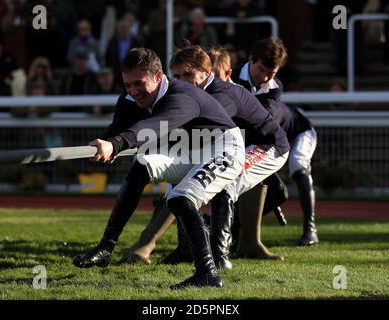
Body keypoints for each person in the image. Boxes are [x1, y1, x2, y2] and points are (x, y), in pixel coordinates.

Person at [72, 47, 246, 289]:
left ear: (158, 76)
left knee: (180, 197)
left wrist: (116, 144)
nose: (132, 91)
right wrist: (108, 143)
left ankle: (208, 274)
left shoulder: (182, 96)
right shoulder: (130, 97)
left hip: (224, 147)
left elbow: (151, 127)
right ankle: (106, 248)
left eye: (138, 83)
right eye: (127, 85)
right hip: (188, 149)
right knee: (141, 166)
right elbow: (118, 126)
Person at [124, 45, 289, 267]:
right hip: (238, 146)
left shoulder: (221, 95)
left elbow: (197, 129)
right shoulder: (195, 92)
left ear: (205, 71)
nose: (181, 81)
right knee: (187, 182)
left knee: (226, 181)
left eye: (188, 75)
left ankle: (218, 257)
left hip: (268, 146)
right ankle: (188, 248)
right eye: (178, 76)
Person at [233, 37, 319, 246]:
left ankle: (311, 229)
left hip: (298, 132)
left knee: (298, 167)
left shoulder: (275, 88)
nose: (264, 77)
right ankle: (233, 228)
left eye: (271, 73)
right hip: (263, 139)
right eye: (261, 70)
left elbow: (252, 125)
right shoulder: (231, 76)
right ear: (251, 59)